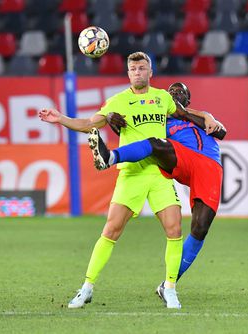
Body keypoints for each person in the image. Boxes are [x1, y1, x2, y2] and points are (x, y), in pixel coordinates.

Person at [39, 52, 187, 309]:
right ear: (128, 74)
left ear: (150, 72)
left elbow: (184, 114)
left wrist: (207, 117)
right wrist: (60, 118)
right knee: (111, 231)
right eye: (133, 69)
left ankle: (170, 288)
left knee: (174, 230)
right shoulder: (118, 101)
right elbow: (89, 123)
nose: (138, 72)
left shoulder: (163, 98)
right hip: (131, 174)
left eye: (142, 68)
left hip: (160, 173)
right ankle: (87, 287)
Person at [86, 82, 226, 306]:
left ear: (187, 100)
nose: (174, 94)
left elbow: (221, 132)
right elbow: (130, 129)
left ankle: (169, 283)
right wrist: (112, 117)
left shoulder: (199, 118)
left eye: (180, 92)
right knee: (155, 143)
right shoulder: (161, 121)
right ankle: (111, 157)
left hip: (209, 166)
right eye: (171, 92)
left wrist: (202, 115)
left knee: (200, 227)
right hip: (183, 158)